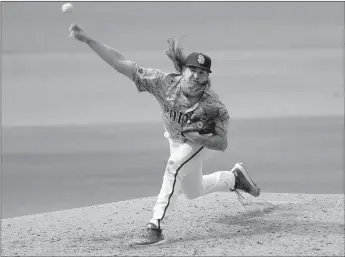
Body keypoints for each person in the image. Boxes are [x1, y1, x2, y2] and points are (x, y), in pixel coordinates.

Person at [69, 24, 261, 247]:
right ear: (183, 71)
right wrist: (89, 41)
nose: (196, 76)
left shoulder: (213, 106)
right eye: (192, 70)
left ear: (207, 77)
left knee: (173, 166)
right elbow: (120, 63)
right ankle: (234, 178)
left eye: (202, 73)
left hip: (197, 142)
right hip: (175, 139)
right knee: (193, 190)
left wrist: (199, 139)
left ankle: (155, 227)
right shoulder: (164, 83)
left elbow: (222, 143)